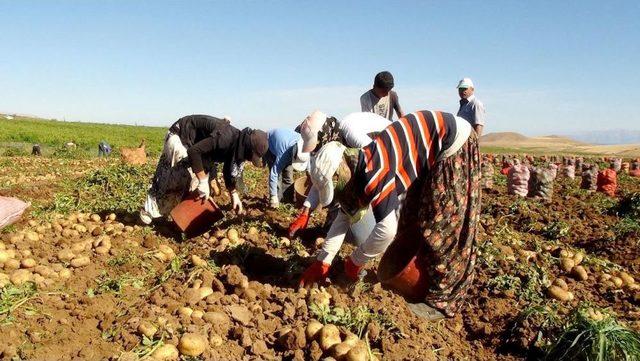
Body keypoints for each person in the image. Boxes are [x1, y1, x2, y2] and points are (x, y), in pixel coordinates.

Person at [298, 110, 480, 320]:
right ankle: (421, 277)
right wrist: (324, 260)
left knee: (441, 226)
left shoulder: (374, 171)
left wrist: (354, 261)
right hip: (430, 146)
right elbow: (343, 217)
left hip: (453, 142)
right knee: (411, 218)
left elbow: (385, 232)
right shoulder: (355, 165)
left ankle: (442, 300)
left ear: (343, 174)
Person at [140, 115, 268, 224]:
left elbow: (226, 170)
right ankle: (148, 210)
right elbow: (194, 152)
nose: (249, 159)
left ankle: (176, 217)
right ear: (247, 147)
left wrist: (234, 195)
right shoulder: (225, 139)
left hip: (194, 146)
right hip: (180, 136)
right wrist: (202, 180)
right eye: (251, 156)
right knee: (179, 176)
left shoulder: (235, 145)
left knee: (194, 185)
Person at [288, 112, 392, 237]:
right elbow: (323, 177)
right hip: (378, 167)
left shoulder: (351, 134)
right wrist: (306, 211)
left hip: (393, 161)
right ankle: (330, 230)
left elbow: (378, 163)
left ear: (324, 134)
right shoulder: (336, 140)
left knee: (362, 234)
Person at [264, 128, 308, 208]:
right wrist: (273, 196)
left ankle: (288, 201)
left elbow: (309, 169)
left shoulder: (305, 148)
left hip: (287, 144)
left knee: (288, 176)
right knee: (278, 177)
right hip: (270, 144)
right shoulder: (283, 153)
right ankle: (277, 201)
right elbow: (274, 174)